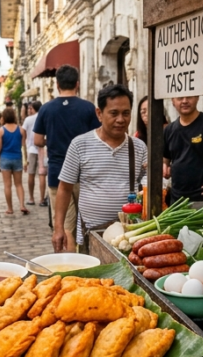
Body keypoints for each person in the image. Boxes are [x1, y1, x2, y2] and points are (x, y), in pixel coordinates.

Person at [55, 84, 147, 252]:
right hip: (90, 234)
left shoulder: (139, 148)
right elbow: (64, 188)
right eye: (114, 113)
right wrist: (59, 227)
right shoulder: (80, 145)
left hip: (128, 237)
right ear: (99, 114)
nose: (120, 119)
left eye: (126, 113)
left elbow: (148, 188)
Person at [33, 65, 100, 252]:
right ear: (77, 84)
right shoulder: (88, 108)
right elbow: (97, 137)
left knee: (65, 225)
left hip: (57, 173)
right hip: (84, 174)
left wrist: (53, 139)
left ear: (57, 85)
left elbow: (38, 140)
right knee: (88, 222)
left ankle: (71, 263)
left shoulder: (46, 109)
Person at [0, 107, 28, 215]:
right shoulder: (21, 130)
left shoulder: (1, 130)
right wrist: (25, 160)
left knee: (7, 185)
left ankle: (10, 208)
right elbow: (23, 146)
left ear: (3, 117)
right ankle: (22, 205)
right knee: (19, 184)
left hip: (5, 158)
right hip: (17, 158)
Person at [22, 100, 46, 206]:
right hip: (42, 149)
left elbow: (23, 135)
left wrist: (24, 152)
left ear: (33, 108)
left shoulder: (28, 119)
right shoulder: (44, 118)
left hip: (31, 149)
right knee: (42, 174)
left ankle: (31, 198)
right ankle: (41, 199)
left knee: (31, 174)